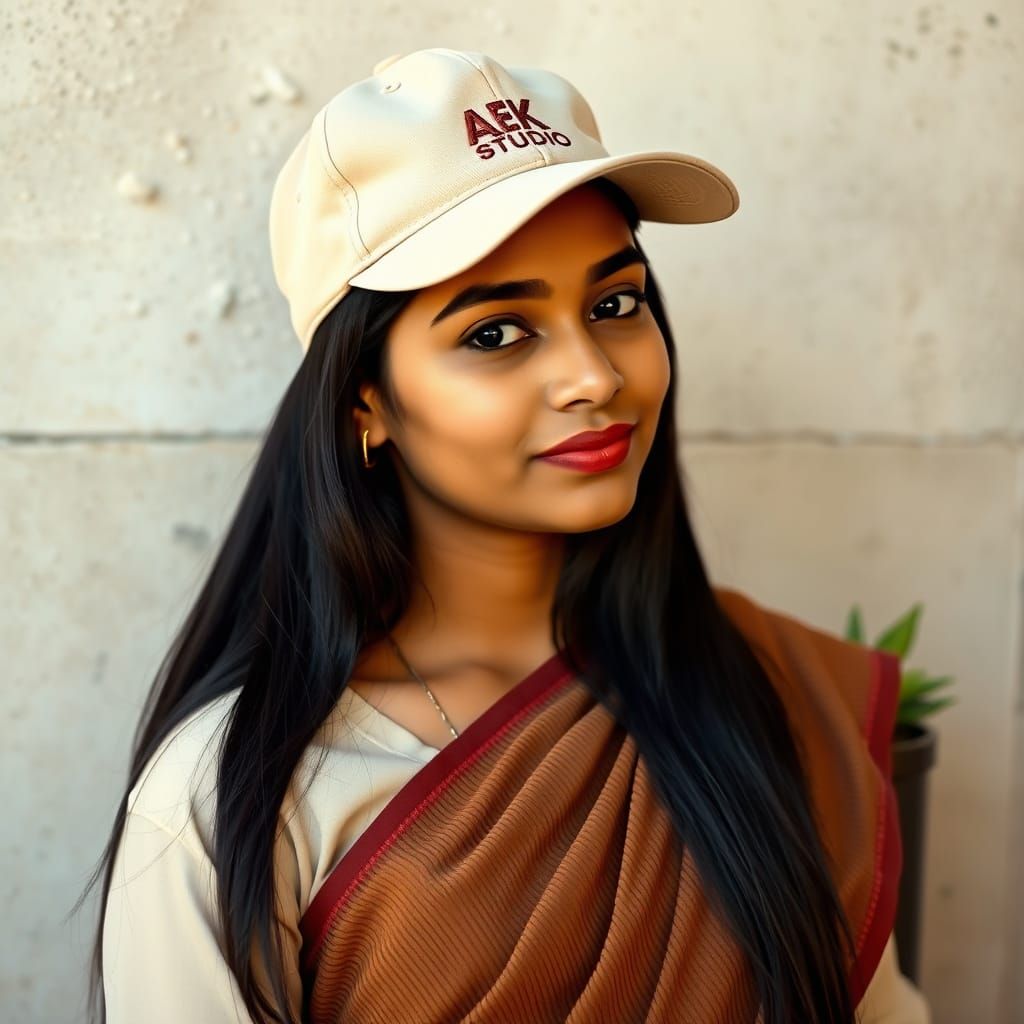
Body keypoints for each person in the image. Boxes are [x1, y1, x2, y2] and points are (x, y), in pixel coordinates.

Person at [82, 48, 931, 1022]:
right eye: (496, 332)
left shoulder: (771, 693)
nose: (593, 375)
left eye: (616, 304)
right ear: (365, 401)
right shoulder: (230, 796)